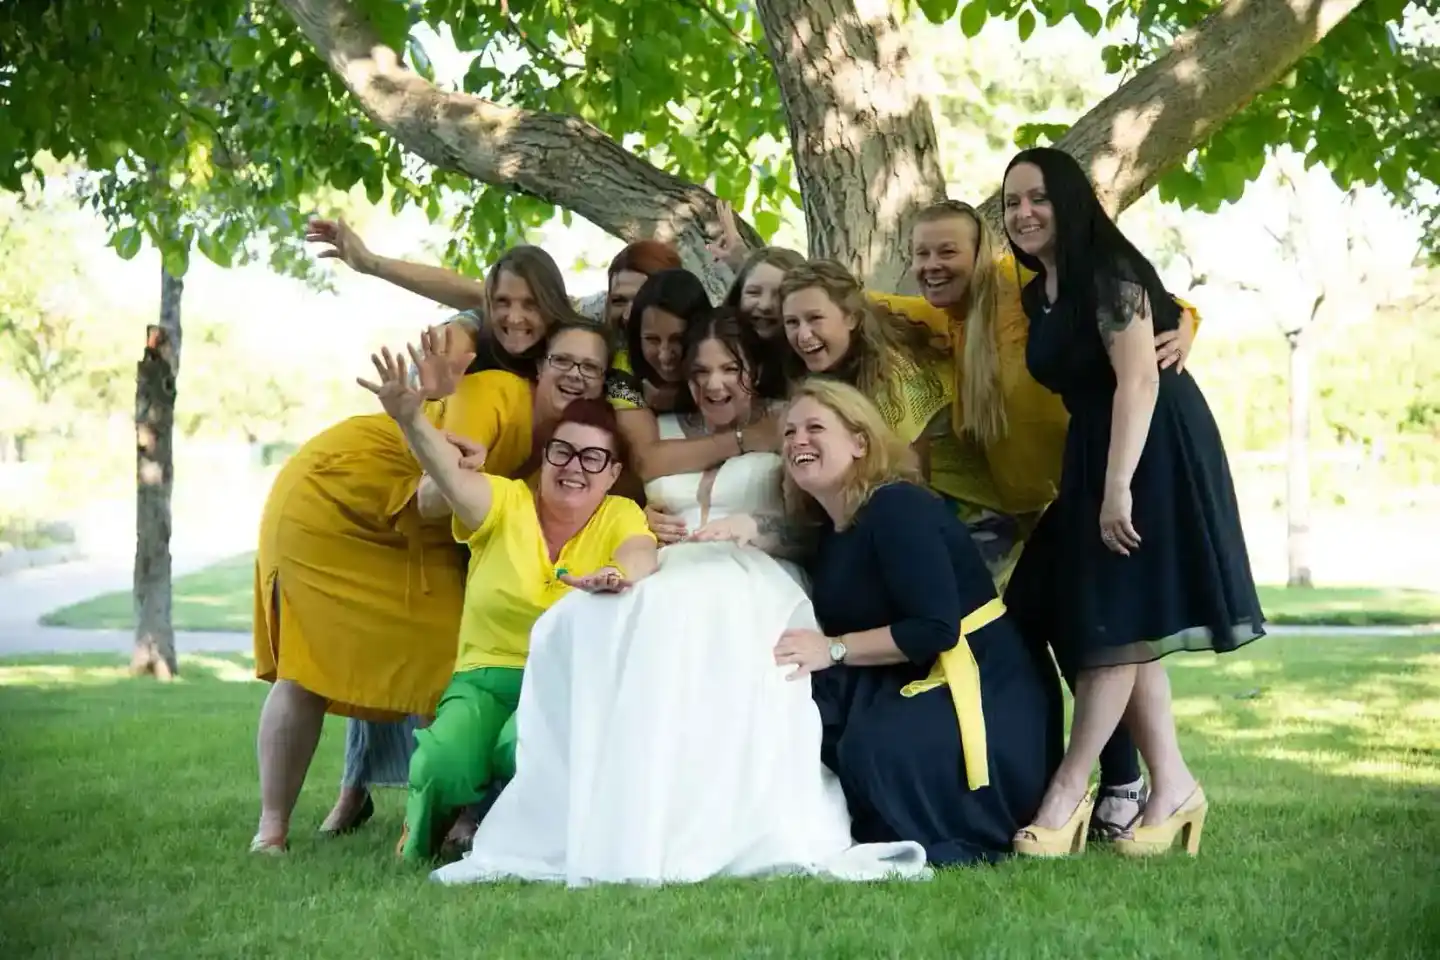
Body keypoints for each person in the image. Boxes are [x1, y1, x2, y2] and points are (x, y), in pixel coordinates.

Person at [430, 314, 927, 886]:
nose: (713, 384)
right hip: (670, 566)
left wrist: (757, 528)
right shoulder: (657, 427)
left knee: (688, 616)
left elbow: (812, 528)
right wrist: (645, 523)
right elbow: (633, 479)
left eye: (728, 370)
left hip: (755, 570)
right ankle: (614, 809)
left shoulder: (786, 428)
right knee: (605, 615)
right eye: (699, 372)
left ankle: (706, 819)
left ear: (753, 371)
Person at [1000, 147, 1263, 857]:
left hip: (1148, 448)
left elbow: (1139, 382)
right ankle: (1172, 787)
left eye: (1038, 198)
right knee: (1126, 616)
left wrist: (1117, 486)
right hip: (1097, 446)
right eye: (1012, 202)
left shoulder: (1107, 273)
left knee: (1111, 622)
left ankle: (1064, 798)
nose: (1023, 213)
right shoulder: (1038, 292)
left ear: (1070, 202)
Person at [360, 336, 659, 862]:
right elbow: (451, 478)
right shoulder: (505, 500)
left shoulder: (620, 513)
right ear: (545, 458)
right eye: (562, 452)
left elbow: (641, 553)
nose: (574, 468)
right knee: (443, 762)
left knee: (519, 745)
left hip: (559, 677)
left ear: (613, 472)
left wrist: (616, 573)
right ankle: (426, 827)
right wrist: (412, 418)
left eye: (594, 459)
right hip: (483, 675)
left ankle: (509, 833)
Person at [775, 378, 1062, 865]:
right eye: (787, 433)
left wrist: (833, 649)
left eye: (815, 427)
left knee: (874, 751)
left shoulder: (897, 507)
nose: (797, 440)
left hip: (983, 680)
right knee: (798, 711)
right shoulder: (834, 528)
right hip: (902, 672)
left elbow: (934, 629)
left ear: (860, 442)